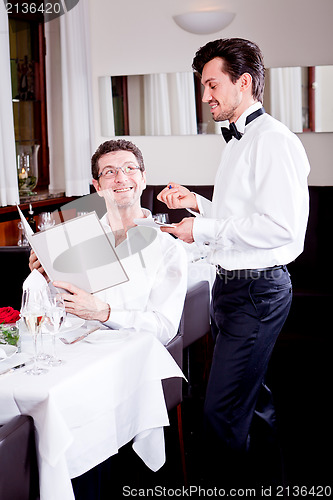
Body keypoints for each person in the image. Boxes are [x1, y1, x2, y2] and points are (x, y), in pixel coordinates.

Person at [157, 38, 310, 486]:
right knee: (252, 404)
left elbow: (282, 229)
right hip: (232, 289)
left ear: (243, 82)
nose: (205, 97)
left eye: (211, 85)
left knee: (220, 413)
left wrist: (199, 231)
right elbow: (243, 218)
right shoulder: (239, 141)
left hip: (256, 293)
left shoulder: (274, 140)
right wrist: (198, 206)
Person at [29, 139, 187, 346]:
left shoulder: (169, 249)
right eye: (109, 172)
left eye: (130, 169)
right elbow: (51, 313)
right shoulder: (74, 240)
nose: (121, 178)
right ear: (97, 186)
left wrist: (104, 312)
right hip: (72, 350)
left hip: (130, 355)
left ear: (143, 178)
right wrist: (44, 280)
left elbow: (164, 329)